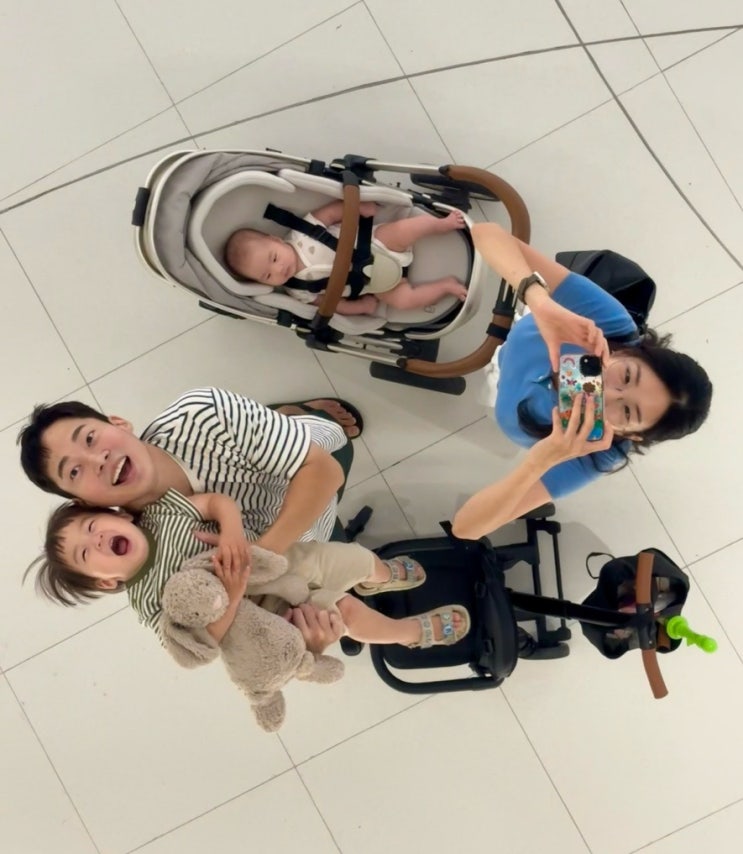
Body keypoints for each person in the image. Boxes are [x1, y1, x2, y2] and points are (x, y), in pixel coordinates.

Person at [17, 388, 364, 652]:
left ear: (118, 423)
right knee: (336, 551)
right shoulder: (142, 554)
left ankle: (291, 414)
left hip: (317, 455)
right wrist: (307, 641)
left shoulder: (201, 412)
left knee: (337, 442)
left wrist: (259, 558)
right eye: (75, 471)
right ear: (84, 502)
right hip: (306, 540)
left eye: (90, 438)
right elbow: (227, 627)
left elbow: (325, 471)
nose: (99, 459)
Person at [452, 223, 712, 540]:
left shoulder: (591, 454)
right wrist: (540, 301)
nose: (607, 392)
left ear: (632, 436)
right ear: (634, 351)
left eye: (627, 411)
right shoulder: (608, 324)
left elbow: (465, 528)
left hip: (498, 393)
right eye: (626, 375)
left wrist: (540, 462)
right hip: (513, 342)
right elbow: (485, 233)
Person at [27, 493, 470, 650]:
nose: (97, 540)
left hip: (282, 558)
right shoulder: (147, 600)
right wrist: (235, 593)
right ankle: (407, 634)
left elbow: (216, 502)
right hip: (270, 612)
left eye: (92, 527)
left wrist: (234, 531)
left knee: (352, 557)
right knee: (344, 616)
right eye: (86, 554)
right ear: (108, 581)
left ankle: (379, 574)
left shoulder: (161, 513)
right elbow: (197, 642)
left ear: (118, 516)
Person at [224, 201, 468, 315]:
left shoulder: (301, 233)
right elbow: (329, 304)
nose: (278, 269)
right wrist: (359, 307)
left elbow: (330, 213)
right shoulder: (296, 291)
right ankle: (446, 286)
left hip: (377, 243)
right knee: (404, 301)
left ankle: (441, 224)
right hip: (377, 285)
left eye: (274, 258)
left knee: (406, 229)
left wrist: (358, 208)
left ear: (276, 240)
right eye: (268, 275)